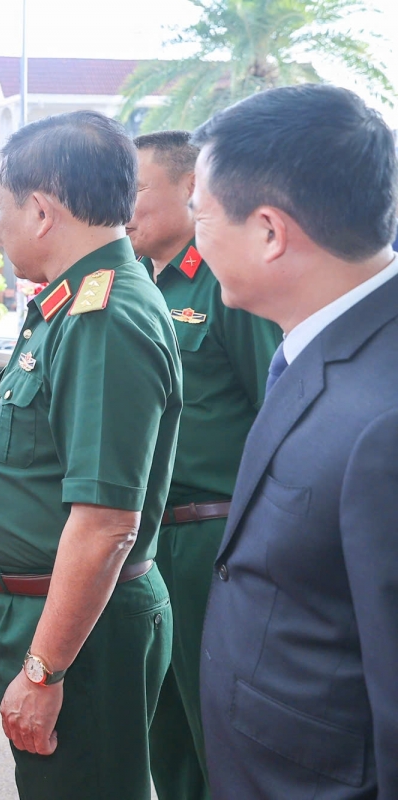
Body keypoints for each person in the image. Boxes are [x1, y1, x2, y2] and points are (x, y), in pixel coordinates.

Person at [0, 111, 182, 799]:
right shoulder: (70, 306)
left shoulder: (104, 316)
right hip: (50, 608)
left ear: (42, 209)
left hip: (81, 625)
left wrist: (44, 671)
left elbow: (106, 521)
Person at [194, 84, 398, 798]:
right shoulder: (320, 346)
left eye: (203, 214)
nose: (199, 237)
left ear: (271, 231)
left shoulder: (383, 418)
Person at [126, 130, 282, 800]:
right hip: (150, 539)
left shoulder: (226, 284)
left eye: (132, 189)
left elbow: (279, 414)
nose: (118, 204)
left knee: (219, 728)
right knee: (163, 729)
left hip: (212, 539)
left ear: (191, 191)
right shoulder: (145, 287)